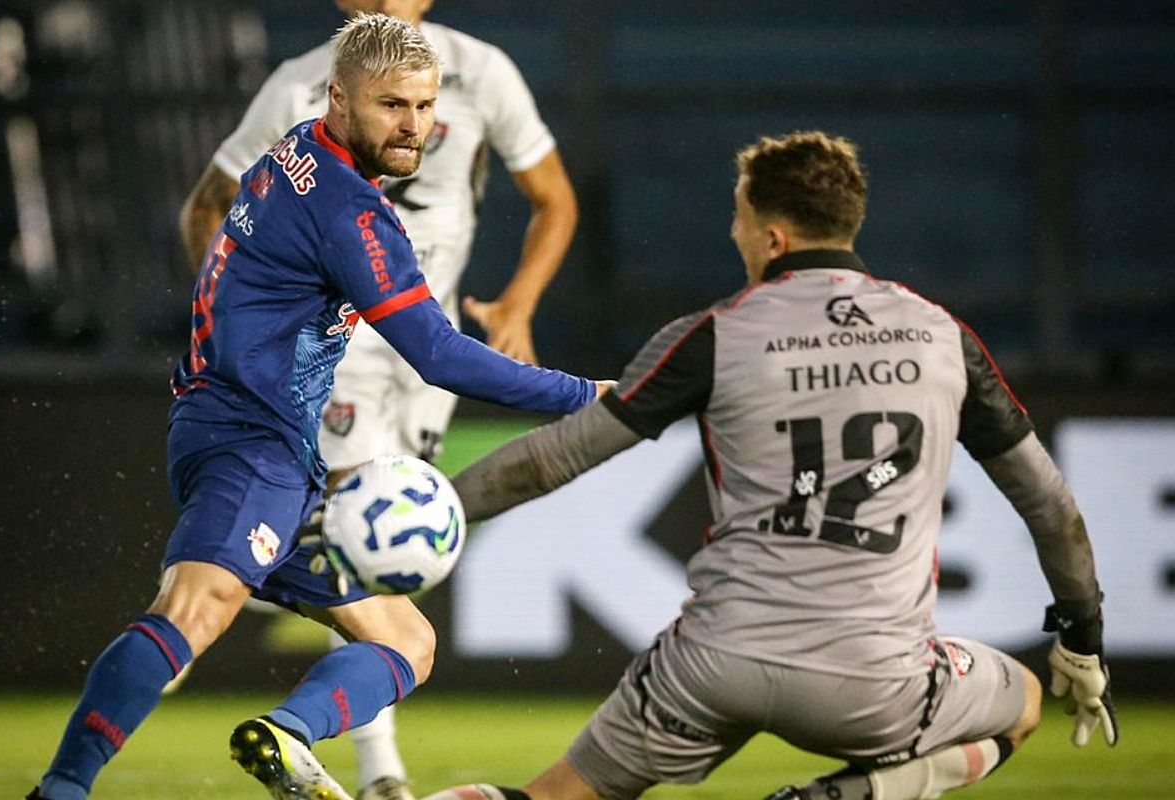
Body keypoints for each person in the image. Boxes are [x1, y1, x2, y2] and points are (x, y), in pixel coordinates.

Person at [421, 131, 1118, 800]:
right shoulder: (942, 337)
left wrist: (436, 512)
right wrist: (1082, 637)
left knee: (551, 797)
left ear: (773, 237)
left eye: (739, 217)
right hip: (876, 683)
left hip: (713, 666)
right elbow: (1050, 506)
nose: (735, 234)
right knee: (1022, 702)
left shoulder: (715, 335)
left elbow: (555, 458)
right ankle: (856, 792)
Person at [27, 14, 605, 800]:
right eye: (392, 106)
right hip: (247, 442)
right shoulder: (351, 213)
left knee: (406, 639)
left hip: (269, 445)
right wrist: (590, 397)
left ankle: (289, 732)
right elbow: (437, 356)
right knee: (195, 608)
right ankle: (60, 789)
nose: (417, 129)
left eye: (427, 106)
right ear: (339, 98)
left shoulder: (303, 144)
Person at [179, 4, 577, 794]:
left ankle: (254, 570)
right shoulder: (300, 87)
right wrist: (243, 325)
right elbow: (209, 203)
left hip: (426, 335)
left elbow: (554, 197)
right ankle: (377, 768)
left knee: (382, 550)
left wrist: (520, 306)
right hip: (337, 353)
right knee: (363, 539)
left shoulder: (483, 70)